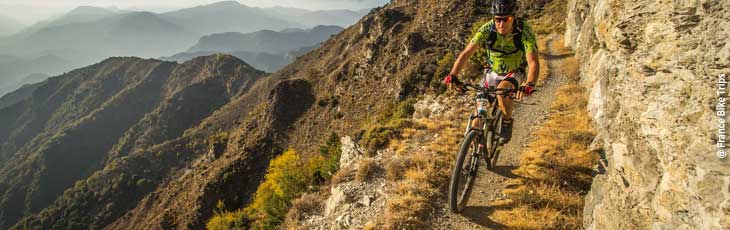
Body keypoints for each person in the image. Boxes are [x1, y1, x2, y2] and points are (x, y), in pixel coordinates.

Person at [443, 0, 539, 143]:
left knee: (502, 91)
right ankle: (475, 153)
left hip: (514, 71)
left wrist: (530, 83)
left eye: (506, 19)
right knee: (476, 120)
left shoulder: (524, 31)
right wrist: (453, 74)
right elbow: (466, 54)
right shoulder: (487, 29)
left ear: (513, 17)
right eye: (497, 19)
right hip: (492, 71)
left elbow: (533, 62)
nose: (501, 24)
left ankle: (507, 121)